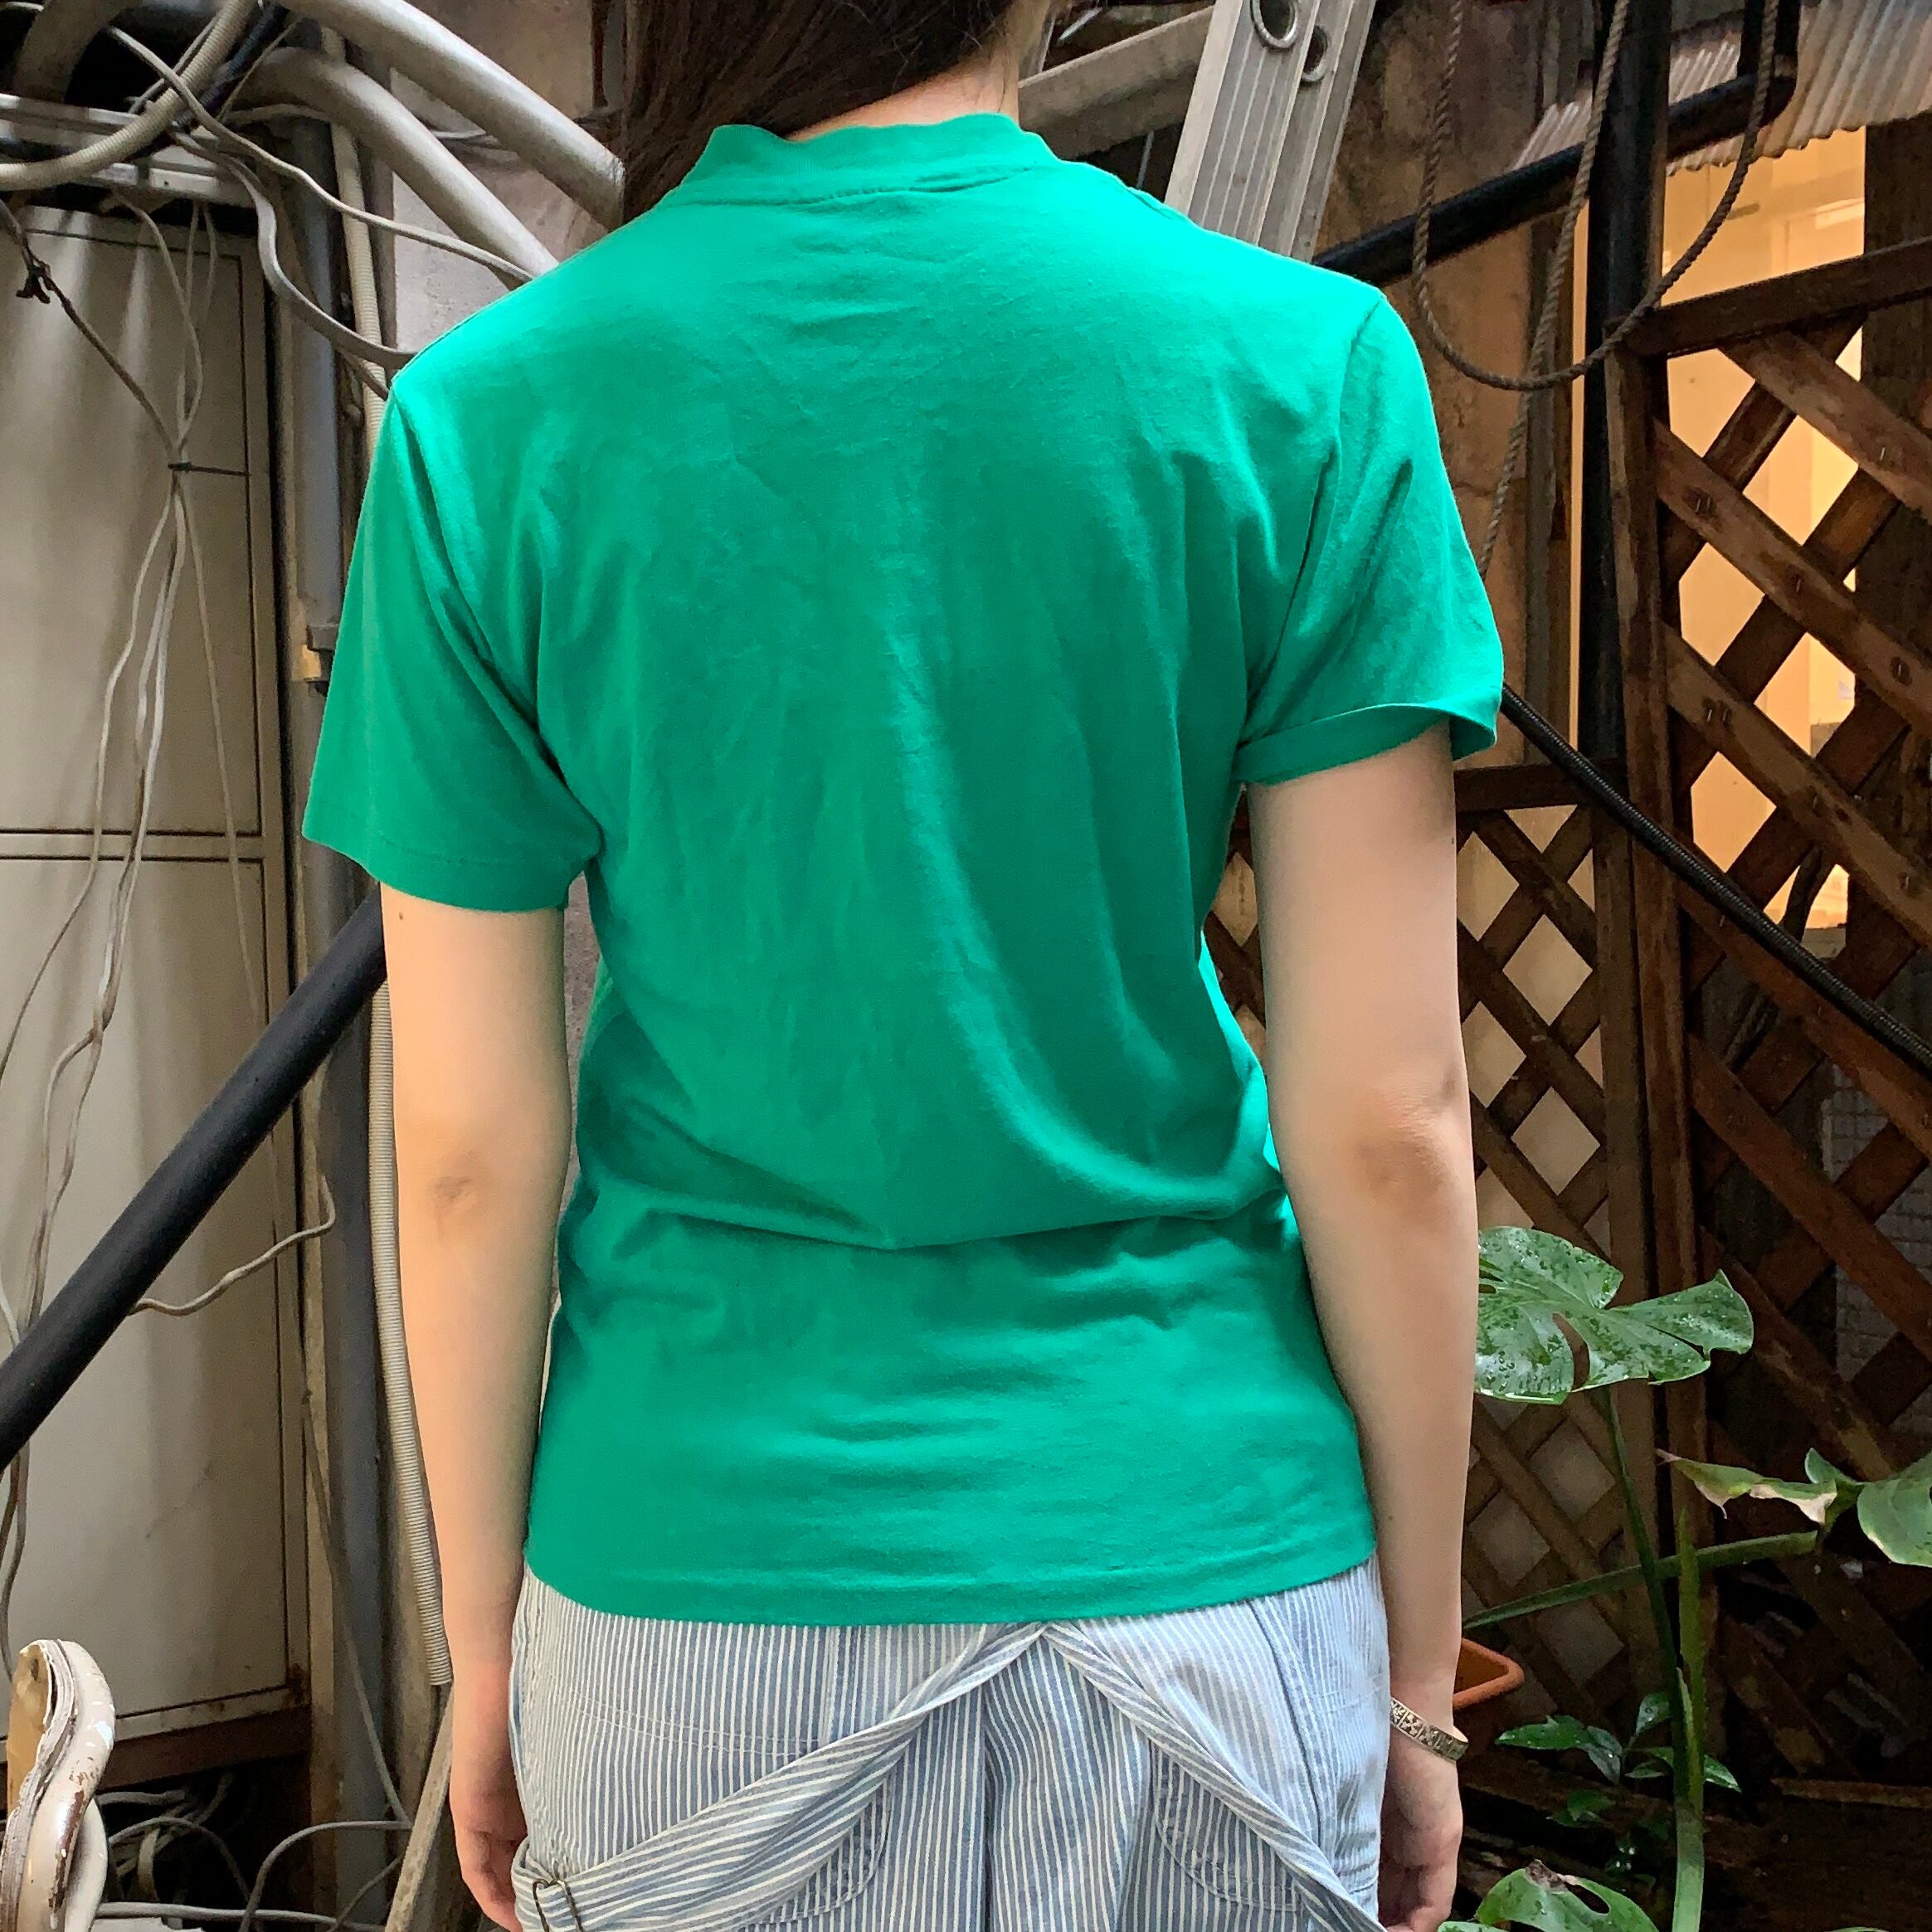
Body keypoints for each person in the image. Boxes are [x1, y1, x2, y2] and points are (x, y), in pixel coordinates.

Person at [304, 2, 1503, 1926]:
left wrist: (490, 1639)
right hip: (1200, 1571)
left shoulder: (487, 419)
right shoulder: (1307, 369)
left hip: (693, 1594)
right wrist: (1418, 1684)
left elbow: (463, 1152)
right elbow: (1387, 1120)